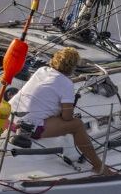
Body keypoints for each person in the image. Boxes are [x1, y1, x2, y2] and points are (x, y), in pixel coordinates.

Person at [9, 47, 112, 175]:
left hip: (10, 119)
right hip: (27, 128)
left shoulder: (41, 70)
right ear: (72, 67)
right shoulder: (66, 83)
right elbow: (67, 117)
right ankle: (98, 166)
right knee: (77, 125)